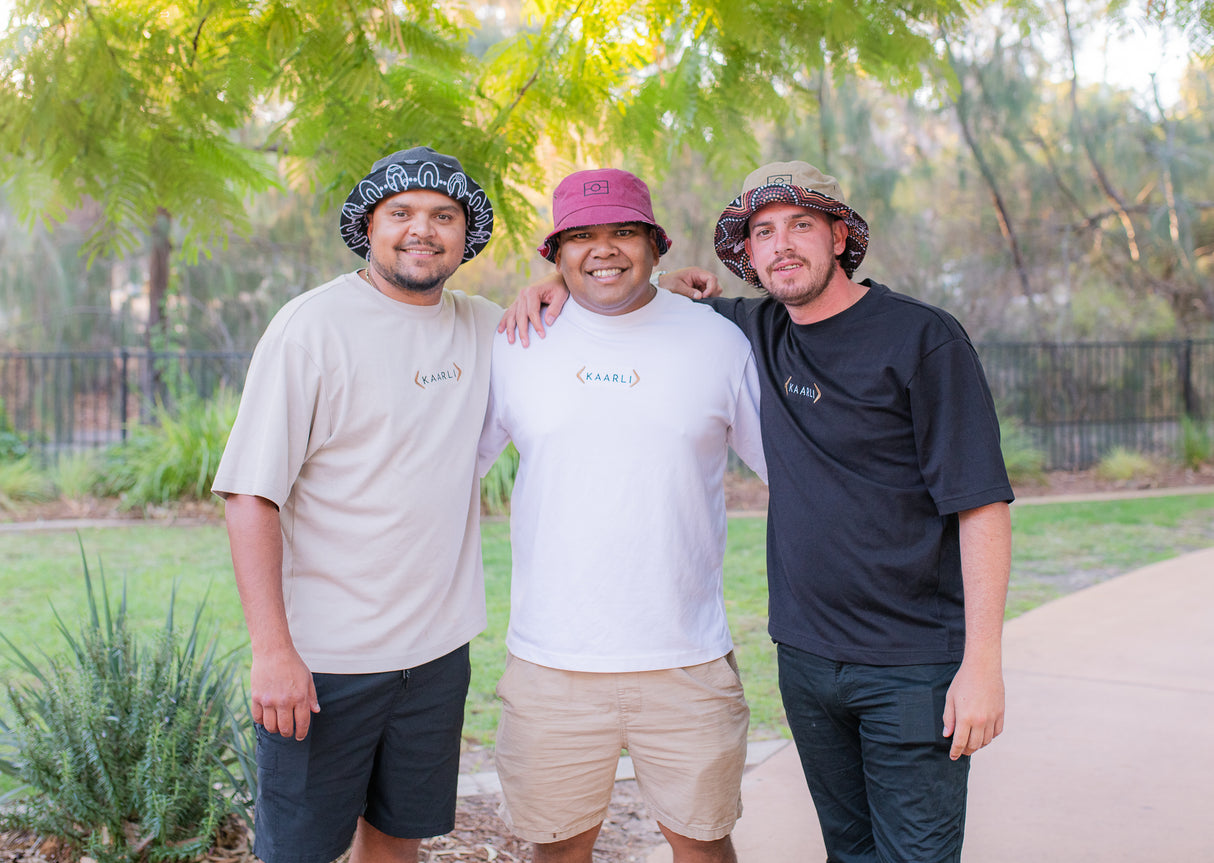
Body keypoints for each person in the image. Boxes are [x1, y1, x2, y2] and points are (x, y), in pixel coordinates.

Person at [503, 161, 1014, 863]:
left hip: (910, 656)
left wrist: (981, 661)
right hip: (807, 655)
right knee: (851, 848)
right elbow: (621, 291)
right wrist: (562, 281)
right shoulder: (756, 328)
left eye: (800, 225)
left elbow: (980, 502)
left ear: (840, 234)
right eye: (763, 232)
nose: (782, 246)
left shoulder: (917, 337)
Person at [212, 145, 500, 863]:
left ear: (468, 234)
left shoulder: (485, 327)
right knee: (299, 851)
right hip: (323, 660)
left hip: (436, 652)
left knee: (398, 837)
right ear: (366, 227)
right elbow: (251, 495)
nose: (421, 230)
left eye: (443, 215)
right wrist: (273, 650)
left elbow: (588, 318)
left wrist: (569, 286)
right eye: (399, 212)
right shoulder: (311, 327)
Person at [478, 168, 767, 863]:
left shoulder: (718, 341)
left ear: (655, 245)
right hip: (552, 660)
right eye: (581, 236)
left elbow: (794, 476)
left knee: (704, 844)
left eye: (622, 232)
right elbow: (446, 474)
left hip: (686, 656)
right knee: (557, 850)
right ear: (555, 254)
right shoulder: (516, 343)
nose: (602, 250)